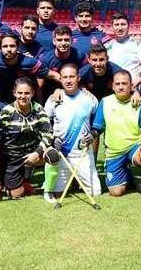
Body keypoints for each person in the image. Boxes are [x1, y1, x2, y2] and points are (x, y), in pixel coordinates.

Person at [43, 64, 102, 202]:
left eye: (72, 76)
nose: (68, 80)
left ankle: (77, 178)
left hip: (82, 153)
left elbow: (98, 124)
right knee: (58, 192)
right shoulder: (53, 99)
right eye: (65, 77)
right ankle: (69, 179)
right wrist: (52, 140)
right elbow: (45, 124)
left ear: (78, 78)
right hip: (62, 154)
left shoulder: (90, 99)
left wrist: (93, 134)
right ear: (60, 79)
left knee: (95, 192)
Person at [92, 70, 141, 197]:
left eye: (124, 83)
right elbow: (97, 128)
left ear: (131, 85)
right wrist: (90, 135)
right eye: (118, 84)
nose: (121, 87)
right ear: (113, 86)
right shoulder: (105, 102)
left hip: (134, 146)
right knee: (116, 193)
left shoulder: (139, 102)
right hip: (114, 152)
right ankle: (129, 176)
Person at [0, 77, 51, 199]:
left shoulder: (38, 109)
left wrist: (37, 153)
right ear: (14, 93)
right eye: (20, 93)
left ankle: (51, 187)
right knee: (17, 194)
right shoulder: (7, 112)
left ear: (32, 93)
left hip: (33, 153)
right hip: (13, 157)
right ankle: (22, 180)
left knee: (53, 154)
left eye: (27, 93)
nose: (23, 96)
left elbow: (48, 134)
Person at [0, 33, 47, 105]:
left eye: (12, 46)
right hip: (0, 101)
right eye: (5, 46)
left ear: (18, 47)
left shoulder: (30, 62)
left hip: (23, 101)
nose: (9, 49)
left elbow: (49, 75)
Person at [39, 25, 84, 98]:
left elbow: (85, 76)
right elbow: (39, 86)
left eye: (66, 40)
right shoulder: (45, 59)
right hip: (51, 97)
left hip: (75, 95)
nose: (63, 43)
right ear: (54, 41)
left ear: (71, 40)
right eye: (59, 40)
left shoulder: (79, 56)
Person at [104, 12, 141, 86]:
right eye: (116, 25)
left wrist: (137, 81)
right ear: (112, 27)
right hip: (112, 89)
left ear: (129, 26)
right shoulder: (107, 46)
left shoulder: (139, 44)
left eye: (123, 24)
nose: (120, 28)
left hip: (133, 88)